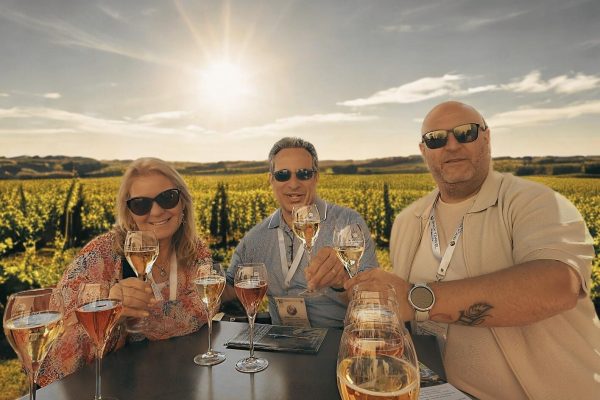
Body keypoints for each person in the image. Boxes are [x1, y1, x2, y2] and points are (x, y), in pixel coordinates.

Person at [346, 101, 600, 399]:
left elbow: (558, 285)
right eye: (436, 139)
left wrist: (417, 299)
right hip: (439, 390)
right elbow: (401, 311)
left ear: (487, 137)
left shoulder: (536, 202)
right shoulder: (407, 221)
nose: (452, 145)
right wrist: (347, 283)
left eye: (465, 133)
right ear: (424, 150)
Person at [39, 157, 211, 385]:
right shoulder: (100, 256)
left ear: (183, 202)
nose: (156, 211)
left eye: (168, 198)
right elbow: (54, 354)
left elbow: (204, 307)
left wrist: (140, 321)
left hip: (177, 383)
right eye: (141, 204)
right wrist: (109, 313)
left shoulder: (194, 251)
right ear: (129, 213)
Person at [223, 137, 378, 328]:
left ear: (316, 177)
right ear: (271, 180)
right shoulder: (256, 238)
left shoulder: (348, 223)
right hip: (281, 340)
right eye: (283, 175)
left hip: (337, 337)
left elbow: (373, 299)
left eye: (304, 174)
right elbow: (230, 287)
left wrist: (342, 282)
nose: (293, 184)